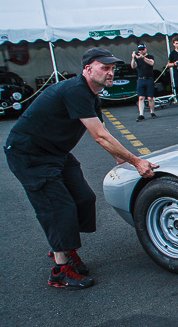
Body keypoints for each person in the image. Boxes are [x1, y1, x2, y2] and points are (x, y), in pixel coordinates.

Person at [4, 48, 159, 290]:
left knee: (83, 198)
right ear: (87, 69)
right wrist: (136, 162)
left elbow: (104, 132)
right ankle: (60, 270)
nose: (110, 72)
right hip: (29, 155)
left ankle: (64, 247)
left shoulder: (92, 96)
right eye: (104, 68)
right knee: (58, 207)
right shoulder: (75, 90)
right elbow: (99, 137)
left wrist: (121, 159)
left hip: (55, 153)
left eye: (112, 68)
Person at [132, 43, 157, 122]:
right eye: (140, 50)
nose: (141, 51)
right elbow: (133, 66)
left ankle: (152, 112)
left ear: (145, 49)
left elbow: (151, 63)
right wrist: (133, 58)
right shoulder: (137, 58)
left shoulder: (150, 56)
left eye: (142, 49)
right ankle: (141, 114)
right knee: (141, 97)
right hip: (141, 79)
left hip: (149, 79)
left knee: (150, 98)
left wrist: (143, 57)